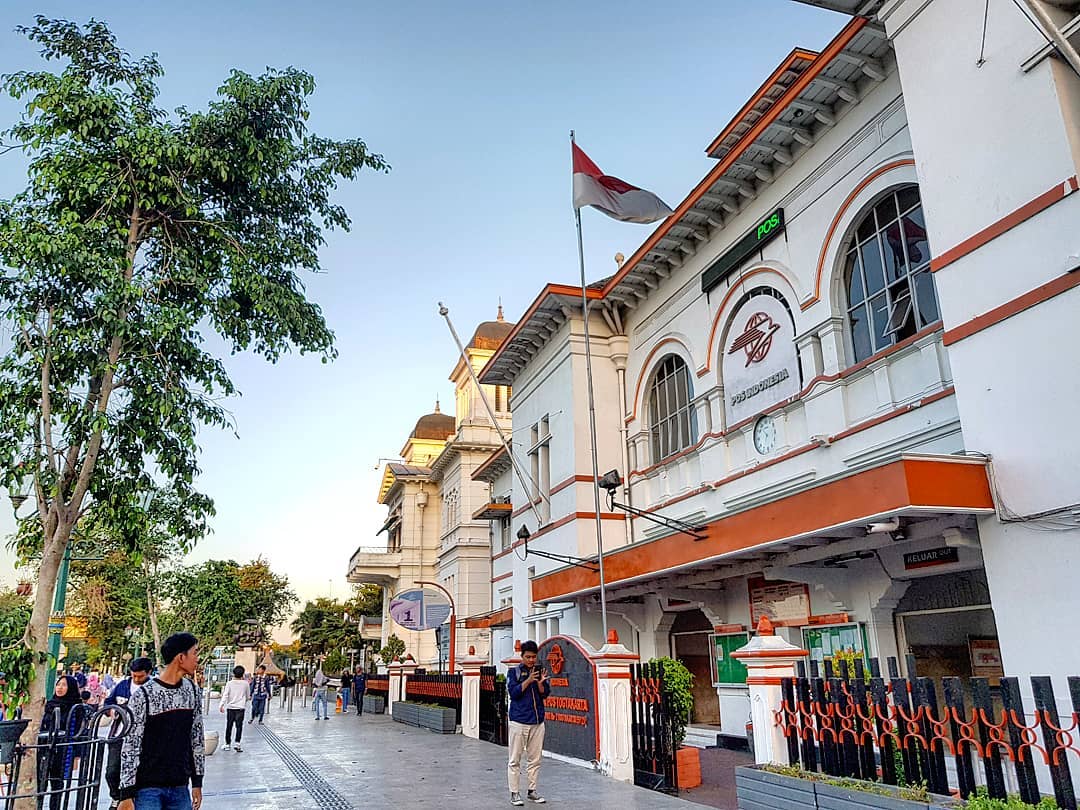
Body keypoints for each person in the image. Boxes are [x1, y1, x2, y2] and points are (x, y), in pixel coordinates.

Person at [117, 632, 204, 810]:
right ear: (181, 657)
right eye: (194, 653)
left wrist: (197, 781)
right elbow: (131, 744)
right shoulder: (144, 695)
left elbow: (197, 738)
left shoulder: (193, 692)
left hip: (180, 786)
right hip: (147, 788)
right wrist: (126, 793)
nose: (197, 658)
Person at [103, 657, 153, 810]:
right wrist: (112, 711)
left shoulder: (153, 688)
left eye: (140, 676)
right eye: (134, 676)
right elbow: (108, 702)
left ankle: (131, 799)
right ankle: (116, 797)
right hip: (119, 735)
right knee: (112, 771)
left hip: (143, 737)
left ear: (149, 673)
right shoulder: (122, 686)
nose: (136, 679)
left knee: (136, 772)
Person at [506, 640, 549, 806]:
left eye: (534, 657)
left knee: (535, 759)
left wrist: (539, 682)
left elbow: (545, 694)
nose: (531, 660)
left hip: (537, 721)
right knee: (515, 759)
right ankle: (514, 793)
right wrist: (529, 680)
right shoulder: (514, 673)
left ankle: (532, 791)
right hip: (519, 721)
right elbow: (514, 693)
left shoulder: (539, 671)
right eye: (528, 657)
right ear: (522, 656)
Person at [40, 675, 92, 810]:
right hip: (45, 749)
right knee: (41, 783)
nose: (60, 688)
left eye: (64, 685)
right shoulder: (50, 705)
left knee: (57, 785)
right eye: (58, 684)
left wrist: (77, 756)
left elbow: (80, 733)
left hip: (63, 750)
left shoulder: (76, 707)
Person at [219, 666, 249, 752]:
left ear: (233, 673)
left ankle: (227, 744)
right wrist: (243, 701)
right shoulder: (245, 683)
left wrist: (221, 705)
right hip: (240, 708)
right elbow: (248, 696)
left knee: (229, 726)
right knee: (239, 726)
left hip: (231, 708)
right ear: (242, 674)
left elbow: (225, 695)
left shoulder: (229, 683)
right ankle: (237, 743)